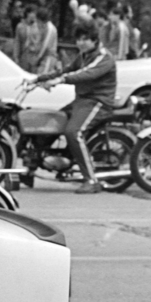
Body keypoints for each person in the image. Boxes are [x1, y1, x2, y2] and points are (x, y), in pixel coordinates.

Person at [36, 22, 117, 193]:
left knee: (74, 132)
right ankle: (34, 165)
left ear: (95, 40)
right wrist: (39, 78)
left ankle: (91, 180)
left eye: (85, 39)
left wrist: (61, 80)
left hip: (97, 102)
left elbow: (86, 73)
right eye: (78, 39)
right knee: (51, 122)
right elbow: (66, 69)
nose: (80, 43)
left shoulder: (104, 57)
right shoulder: (83, 55)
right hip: (81, 101)